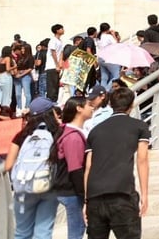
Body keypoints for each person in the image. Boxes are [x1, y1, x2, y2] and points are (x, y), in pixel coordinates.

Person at [85, 87, 151, 239]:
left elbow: (88, 166)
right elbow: (142, 159)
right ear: (131, 105)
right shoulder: (139, 126)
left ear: (110, 104)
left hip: (95, 196)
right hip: (122, 193)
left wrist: (86, 200)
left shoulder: (95, 131)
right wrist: (144, 194)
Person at [5, 97, 61, 239]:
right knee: (43, 233)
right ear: (49, 113)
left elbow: (8, 165)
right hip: (48, 187)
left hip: (23, 188)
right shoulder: (58, 133)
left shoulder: (22, 135)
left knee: (22, 232)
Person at [56, 96, 93, 239]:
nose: (92, 107)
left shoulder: (69, 131)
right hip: (71, 191)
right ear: (78, 108)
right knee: (77, 231)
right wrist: (84, 196)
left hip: (68, 189)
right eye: (88, 105)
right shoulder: (73, 137)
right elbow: (75, 169)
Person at [45, 24, 65, 101]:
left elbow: (61, 53)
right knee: (51, 88)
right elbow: (53, 53)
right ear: (57, 30)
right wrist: (56, 65)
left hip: (57, 66)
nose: (63, 30)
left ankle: (54, 102)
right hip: (51, 66)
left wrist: (60, 64)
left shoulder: (60, 41)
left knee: (56, 87)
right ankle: (50, 103)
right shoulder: (53, 40)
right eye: (61, 29)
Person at [13, 43, 35, 112]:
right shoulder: (20, 57)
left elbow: (30, 68)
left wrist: (21, 74)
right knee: (18, 94)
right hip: (17, 76)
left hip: (25, 76)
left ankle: (27, 108)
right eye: (21, 48)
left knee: (27, 93)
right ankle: (19, 108)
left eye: (23, 48)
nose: (22, 50)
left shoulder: (30, 57)